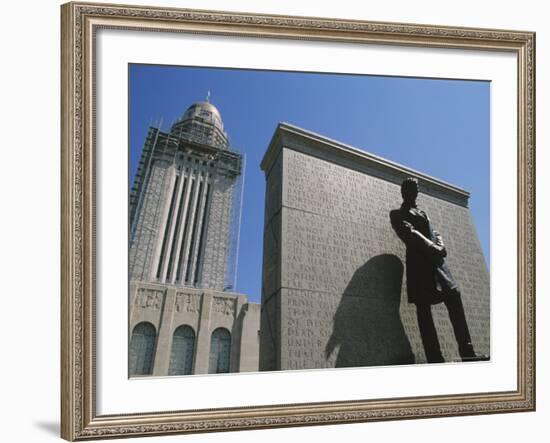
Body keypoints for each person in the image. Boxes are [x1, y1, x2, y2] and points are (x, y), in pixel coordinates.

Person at [389, 177, 483, 363]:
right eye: (410, 189)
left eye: (416, 189)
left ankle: (468, 352)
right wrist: (434, 247)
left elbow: (435, 232)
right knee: (424, 310)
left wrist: (441, 244)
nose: (414, 193)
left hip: (438, 266)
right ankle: (434, 357)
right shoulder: (397, 214)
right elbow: (409, 233)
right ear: (404, 192)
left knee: (454, 296)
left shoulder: (423, 212)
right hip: (419, 267)